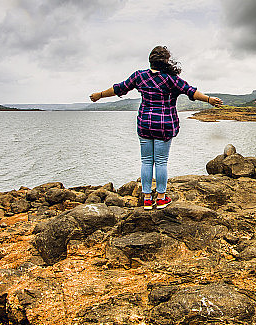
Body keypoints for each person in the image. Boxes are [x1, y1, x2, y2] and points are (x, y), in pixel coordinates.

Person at [90, 46, 223, 208]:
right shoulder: (171, 79)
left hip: (145, 124)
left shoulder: (140, 76)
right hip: (164, 125)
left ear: (150, 60)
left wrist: (100, 94)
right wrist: (209, 100)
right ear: (165, 61)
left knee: (146, 161)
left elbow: (119, 88)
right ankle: (161, 198)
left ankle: (146, 199)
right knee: (160, 162)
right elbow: (191, 91)